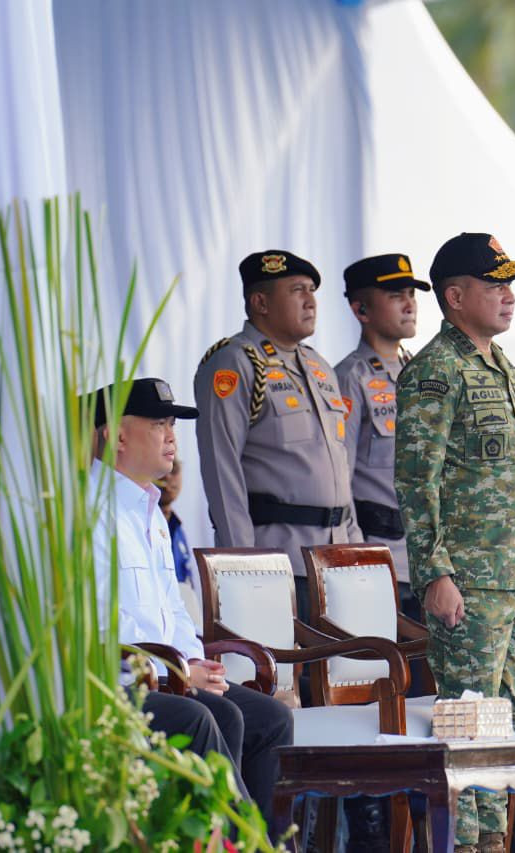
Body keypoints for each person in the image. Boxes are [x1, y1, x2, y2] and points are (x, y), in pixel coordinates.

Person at [395, 233, 515, 853]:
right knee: (468, 717)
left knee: (501, 718)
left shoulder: (499, 367)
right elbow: (417, 478)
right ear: (454, 295)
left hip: (514, 574)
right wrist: (434, 572)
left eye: (510, 285)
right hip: (468, 577)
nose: (509, 296)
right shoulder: (437, 371)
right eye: (494, 285)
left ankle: (492, 838)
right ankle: (465, 842)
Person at [90, 378, 293, 836]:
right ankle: (244, 843)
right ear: (117, 436)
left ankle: (268, 840)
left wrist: (195, 661)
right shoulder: (89, 511)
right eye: (158, 423)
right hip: (117, 682)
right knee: (206, 715)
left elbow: (174, 611)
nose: (171, 436)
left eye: (172, 425)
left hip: (167, 674)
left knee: (270, 717)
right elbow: (101, 625)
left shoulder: (150, 511)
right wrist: (178, 672)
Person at [194, 250, 360, 621]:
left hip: (334, 560)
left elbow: (341, 470)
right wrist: (244, 566)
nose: (310, 301)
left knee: (343, 675)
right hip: (279, 560)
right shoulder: (235, 361)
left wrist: (356, 552)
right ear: (260, 302)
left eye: (313, 291)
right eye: (297, 290)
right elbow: (222, 470)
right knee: (283, 677)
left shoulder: (319, 367)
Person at [334, 253, 431, 614]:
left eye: (412, 293)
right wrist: (353, 554)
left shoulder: (423, 373)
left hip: (428, 561)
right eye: (395, 295)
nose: (409, 305)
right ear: (362, 310)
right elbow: (338, 472)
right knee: (379, 668)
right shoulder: (349, 376)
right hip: (378, 557)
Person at [157, 456, 199, 622]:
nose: (167, 477)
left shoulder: (178, 527)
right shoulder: (142, 524)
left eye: (174, 470)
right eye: (162, 472)